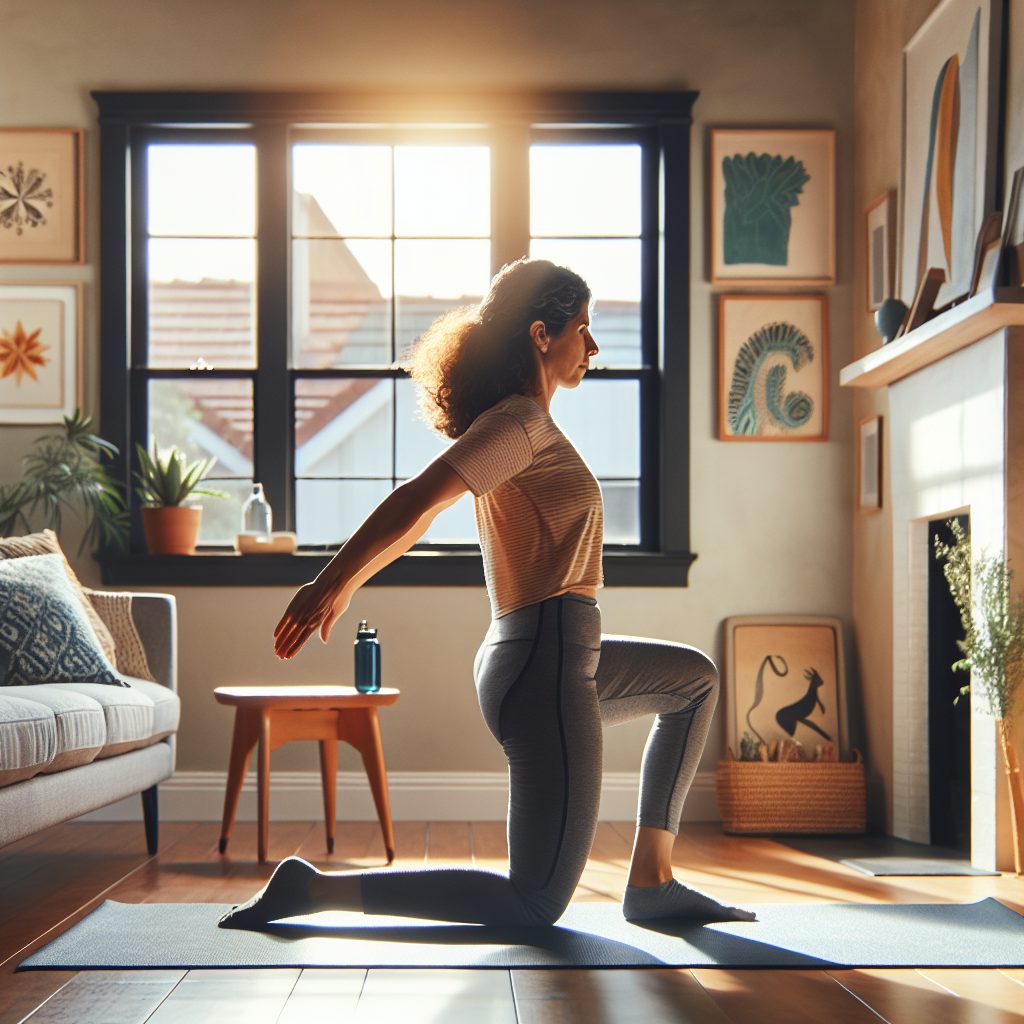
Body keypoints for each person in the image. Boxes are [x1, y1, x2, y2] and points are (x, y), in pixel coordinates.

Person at [219, 258, 755, 930]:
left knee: (694, 682)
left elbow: (418, 517)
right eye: (582, 330)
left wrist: (344, 584)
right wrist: (331, 581)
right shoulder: (518, 424)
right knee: (534, 904)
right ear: (540, 334)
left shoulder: (523, 425)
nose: (592, 347)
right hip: (545, 663)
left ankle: (652, 879)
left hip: (557, 655)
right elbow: (416, 500)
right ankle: (312, 889)